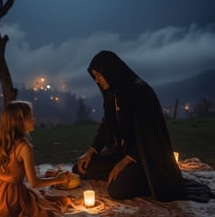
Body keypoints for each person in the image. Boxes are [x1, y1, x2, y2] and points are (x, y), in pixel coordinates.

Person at [73, 50, 213, 202]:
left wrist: (124, 163)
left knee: (116, 190)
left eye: (98, 75)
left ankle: (149, 180)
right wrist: (91, 151)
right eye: (94, 76)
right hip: (122, 152)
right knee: (80, 169)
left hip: (144, 155)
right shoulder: (111, 94)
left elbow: (148, 134)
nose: (97, 80)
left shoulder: (139, 91)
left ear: (110, 71)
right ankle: (122, 175)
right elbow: (107, 124)